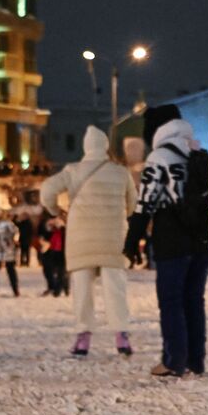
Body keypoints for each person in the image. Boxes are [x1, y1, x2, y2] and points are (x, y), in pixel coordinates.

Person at [124, 107, 208, 377]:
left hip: (171, 241)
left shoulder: (159, 157)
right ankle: (195, 361)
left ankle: (173, 360)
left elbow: (145, 204)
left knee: (172, 301)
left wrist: (131, 243)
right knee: (194, 301)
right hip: (200, 240)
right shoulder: (197, 152)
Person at [42, 126, 137, 356]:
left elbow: (46, 191)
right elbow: (133, 204)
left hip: (80, 239)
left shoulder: (73, 170)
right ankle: (121, 336)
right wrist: (119, 215)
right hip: (112, 239)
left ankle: (83, 338)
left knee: (82, 290)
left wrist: (57, 211)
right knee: (115, 289)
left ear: (86, 147)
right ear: (105, 146)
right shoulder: (120, 172)